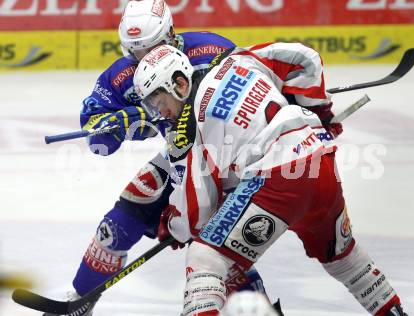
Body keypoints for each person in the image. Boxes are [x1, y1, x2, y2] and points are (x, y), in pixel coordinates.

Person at [133, 43, 408, 315]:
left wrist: (172, 224)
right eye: (153, 106)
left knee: (204, 258)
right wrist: (318, 109)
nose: (162, 114)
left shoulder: (187, 130)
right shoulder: (234, 60)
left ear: (179, 84)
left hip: (279, 179)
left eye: (160, 102)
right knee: (342, 257)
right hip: (319, 160)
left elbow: (197, 216)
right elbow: (304, 58)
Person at [45, 1, 276, 315]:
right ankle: (80, 300)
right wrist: (112, 129)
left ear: (171, 33)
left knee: (219, 249)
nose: (148, 59)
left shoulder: (212, 50)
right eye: (138, 53)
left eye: (154, 47)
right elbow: (97, 138)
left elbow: (260, 91)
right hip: (180, 158)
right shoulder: (121, 77)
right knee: (118, 224)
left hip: (231, 161)